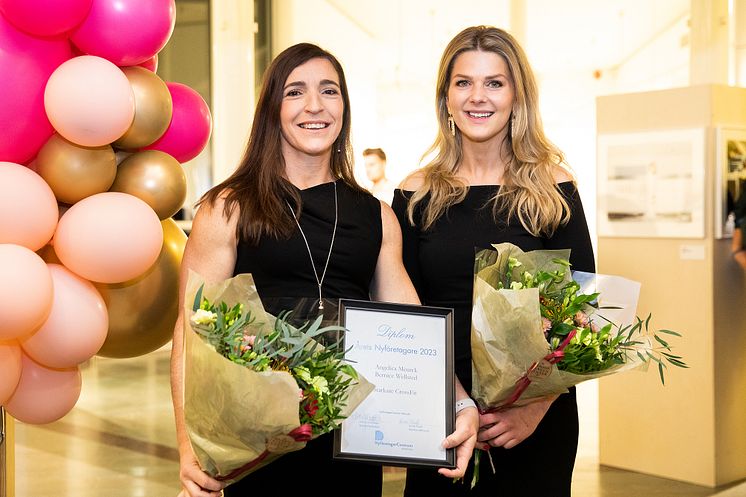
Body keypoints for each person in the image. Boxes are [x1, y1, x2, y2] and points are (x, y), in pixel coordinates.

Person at [170, 43, 478, 497]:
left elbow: (412, 328)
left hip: (351, 437)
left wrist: (458, 401)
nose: (314, 105)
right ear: (273, 108)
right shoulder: (229, 207)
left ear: (343, 108)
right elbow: (190, 334)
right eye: (296, 92)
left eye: (329, 91)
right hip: (255, 442)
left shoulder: (376, 216)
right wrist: (189, 447)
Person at [392, 26, 595, 497]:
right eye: (463, 82)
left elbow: (586, 307)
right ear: (445, 96)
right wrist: (452, 401)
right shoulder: (415, 193)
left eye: (495, 83)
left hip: (535, 417)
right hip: (439, 414)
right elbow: (405, 314)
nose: (477, 97)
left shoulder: (553, 186)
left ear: (516, 95)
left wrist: (535, 405)